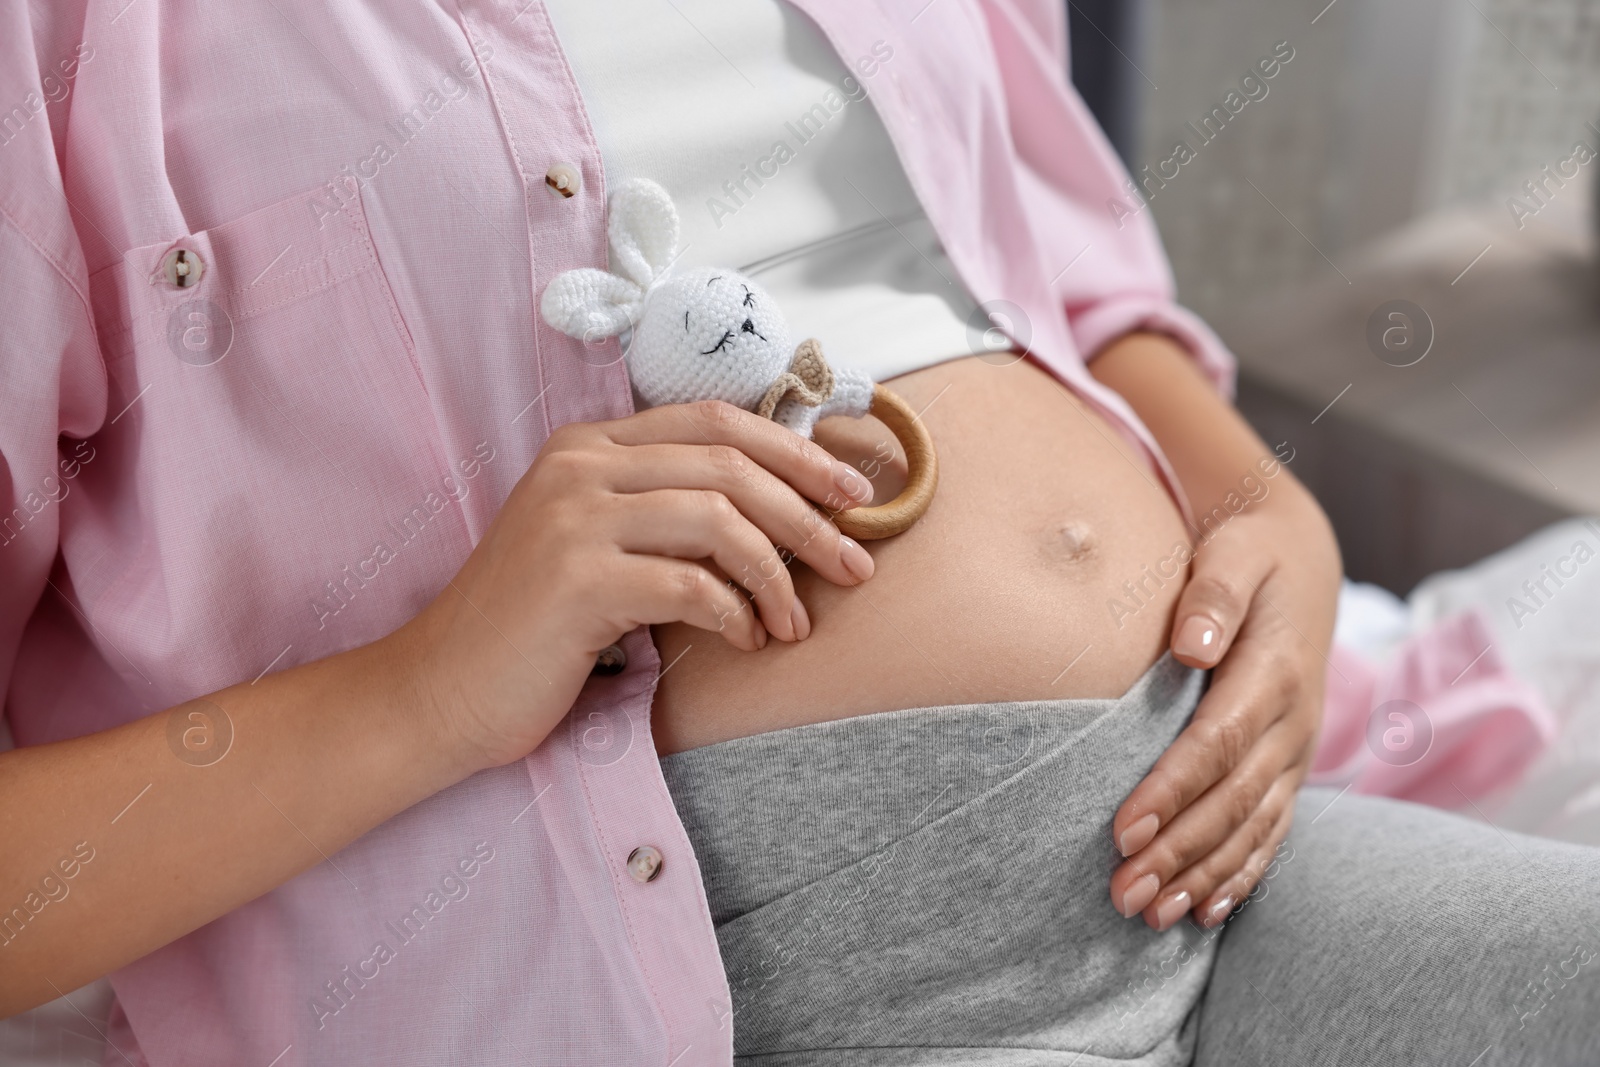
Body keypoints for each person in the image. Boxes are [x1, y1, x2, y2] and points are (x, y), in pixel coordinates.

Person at [0, 2, 1595, 1064]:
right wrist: (424, 688)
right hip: (777, 1001)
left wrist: (1262, 504)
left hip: (1206, 857)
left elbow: (1062, 270)